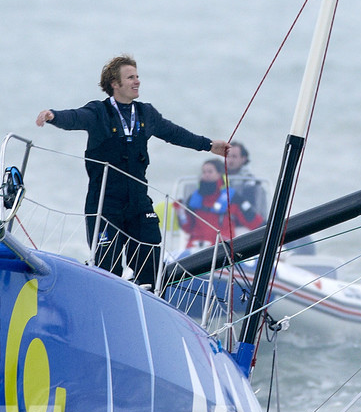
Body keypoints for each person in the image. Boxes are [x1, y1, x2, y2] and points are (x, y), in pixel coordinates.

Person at [37, 55, 228, 287]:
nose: (137, 81)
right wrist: (53, 116)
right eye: (130, 78)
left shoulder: (146, 113)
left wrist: (209, 145)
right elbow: (76, 117)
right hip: (105, 204)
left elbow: (175, 133)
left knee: (151, 267)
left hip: (138, 202)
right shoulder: (99, 112)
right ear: (115, 84)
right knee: (108, 271)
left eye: (137, 76)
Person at [179, 159, 262, 246]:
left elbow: (251, 219)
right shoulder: (193, 198)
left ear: (219, 174)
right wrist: (179, 211)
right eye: (204, 172)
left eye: (210, 172)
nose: (206, 175)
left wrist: (266, 230)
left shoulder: (232, 198)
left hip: (222, 246)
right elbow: (187, 227)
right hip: (196, 245)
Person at [222, 141, 268, 224]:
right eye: (228, 156)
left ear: (243, 159)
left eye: (234, 157)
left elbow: (254, 211)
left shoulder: (251, 183)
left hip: (243, 224)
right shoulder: (216, 178)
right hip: (219, 222)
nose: (230, 160)